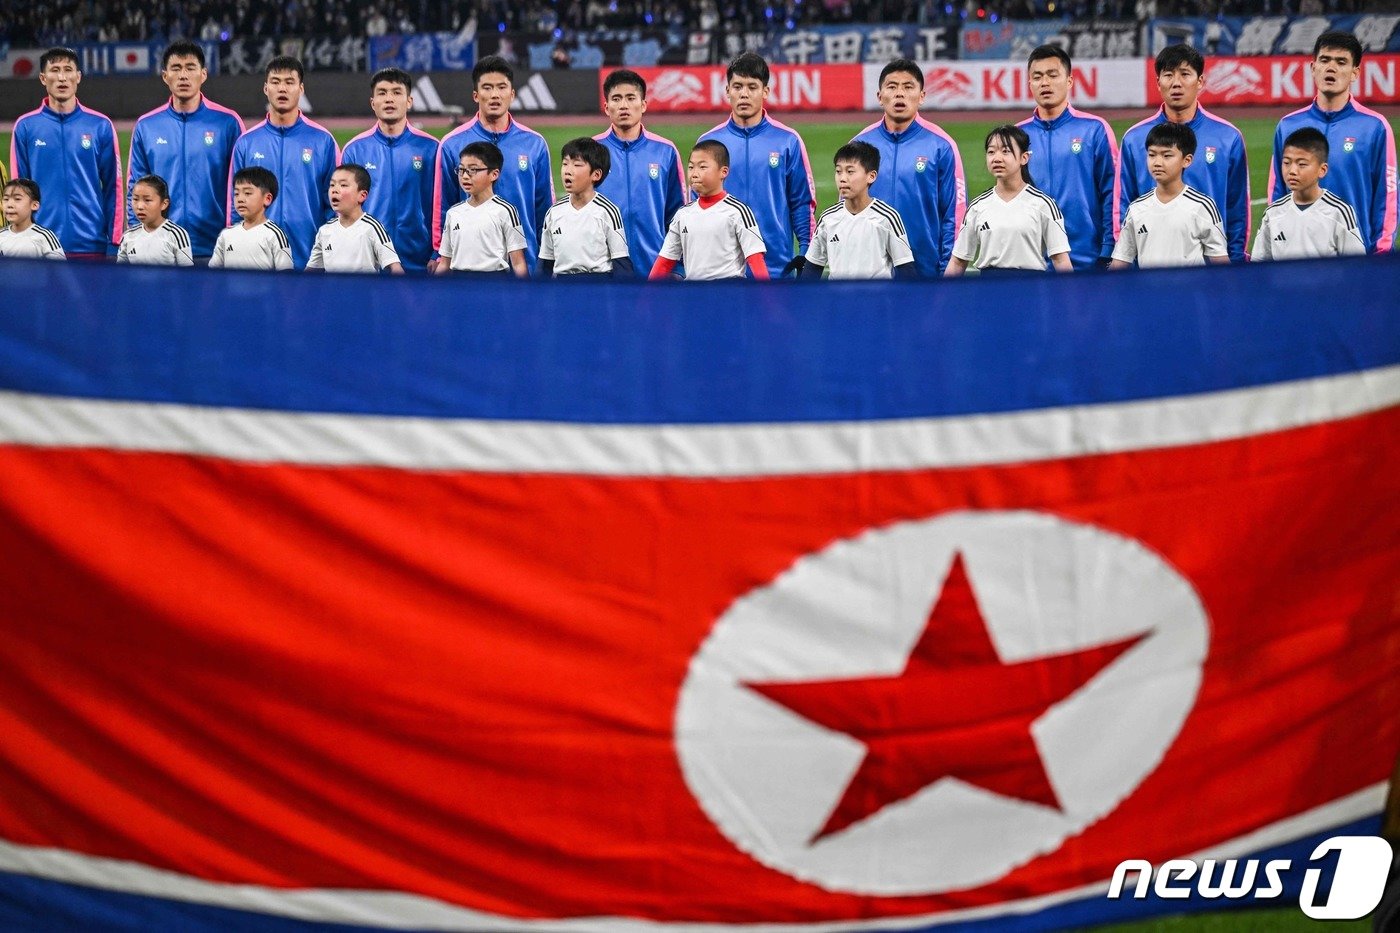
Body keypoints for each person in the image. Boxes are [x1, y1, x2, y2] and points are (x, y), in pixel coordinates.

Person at [1269, 32, 1396, 253]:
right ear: (1313, 67)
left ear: (1355, 73)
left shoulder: (1375, 127)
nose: (1331, 68)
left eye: (1341, 62)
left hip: (1355, 257)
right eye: (1325, 60)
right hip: (1298, 252)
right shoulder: (1288, 125)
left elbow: (1387, 198)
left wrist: (1381, 255)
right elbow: (1277, 191)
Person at [1119, 45, 1248, 262]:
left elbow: (1238, 210)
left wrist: (1233, 266)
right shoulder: (1133, 139)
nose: (1176, 83)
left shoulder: (1228, 137)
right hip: (1151, 267)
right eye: (1168, 75)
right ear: (1158, 82)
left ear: (1200, 81)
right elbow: (1124, 205)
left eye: (1185, 74)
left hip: (1211, 268)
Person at [698, 52, 815, 278]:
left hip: (776, 266)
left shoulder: (788, 140)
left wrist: (807, 251)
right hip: (719, 268)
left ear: (765, 92)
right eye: (738, 86)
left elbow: (801, 202)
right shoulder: (708, 143)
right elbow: (694, 207)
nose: (744, 94)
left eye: (752, 87)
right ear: (727, 91)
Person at [127, 40, 243, 263]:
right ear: (165, 76)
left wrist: (238, 237)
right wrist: (138, 236)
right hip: (161, 247)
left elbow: (243, 186)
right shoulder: (147, 126)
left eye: (190, 68)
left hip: (216, 247)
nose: (183, 75)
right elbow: (136, 186)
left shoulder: (228, 123)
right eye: (176, 68)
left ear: (203, 74)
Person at [434, 56, 552, 271]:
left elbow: (544, 208)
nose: (495, 95)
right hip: (470, 265)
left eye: (501, 87)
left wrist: (549, 258)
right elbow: (444, 207)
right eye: (487, 88)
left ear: (512, 94)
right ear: (476, 95)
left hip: (526, 263)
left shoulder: (535, 144)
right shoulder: (452, 144)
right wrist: (438, 255)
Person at [852, 58, 966, 278]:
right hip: (869, 272)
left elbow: (954, 214)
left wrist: (947, 272)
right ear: (879, 96)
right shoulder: (859, 145)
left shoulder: (942, 145)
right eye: (892, 87)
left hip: (925, 272)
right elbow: (846, 210)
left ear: (921, 96)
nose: (899, 94)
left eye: (908, 87)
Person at [9, 47, 122, 258]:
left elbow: (113, 188)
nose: (62, 77)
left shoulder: (100, 125)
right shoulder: (26, 127)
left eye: (68, 70)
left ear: (78, 77)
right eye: (55, 70)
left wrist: (114, 240)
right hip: (41, 246)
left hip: (92, 244)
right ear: (43, 78)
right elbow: (19, 190)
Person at [229, 56, 339, 269]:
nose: (282, 88)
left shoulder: (323, 141)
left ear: (301, 88)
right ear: (265, 88)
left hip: (308, 260)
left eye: (289, 82)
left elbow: (335, 205)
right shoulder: (246, 143)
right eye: (275, 81)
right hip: (256, 261)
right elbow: (236, 206)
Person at [1016, 45, 1119, 269]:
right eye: (1037, 77)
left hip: (1086, 258)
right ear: (1029, 84)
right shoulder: (1017, 136)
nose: (1045, 83)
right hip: (1031, 262)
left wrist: (1108, 249)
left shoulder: (1094, 129)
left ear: (1069, 81)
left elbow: (1112, 193)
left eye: (1053, 75)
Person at [341, 67, 439, 272]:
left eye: (396, 92)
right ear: (373, 103)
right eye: (382, 93)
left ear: (409, 101)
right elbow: (344, 209)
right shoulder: (354, 150)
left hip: (420, 262)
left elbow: (444, 204)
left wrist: (437, 252)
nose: (389, 99)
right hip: (369, 262)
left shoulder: (432, 148)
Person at [593, 69, 687, 276]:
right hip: (603, 271)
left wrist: (678, 269)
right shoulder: (591, 150)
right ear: (607, 107)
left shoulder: (666, 151)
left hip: (655, 270)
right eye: (616, 99)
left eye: (630, 98)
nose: (624, 105)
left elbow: (678, 215)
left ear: (643, 105)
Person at [946, 125, 1072, 276]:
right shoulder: (977, 206)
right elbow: (957, 261)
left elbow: (1061, 260)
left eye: (1006, 151)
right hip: (989, 292)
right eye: (991, 152)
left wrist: (1070, 297)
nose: (997, 158)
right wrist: (943, 298)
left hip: (1031, 291)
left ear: (1024, 158)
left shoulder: (1044, 205)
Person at [1111, 123, 1228, 270]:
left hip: (1190, 292)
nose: (1157, 163)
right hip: (1148, 292)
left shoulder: (1202, 206)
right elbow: (1119, 262)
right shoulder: (1136, 209)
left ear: (1187, 160)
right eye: (1152, 155)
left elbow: (1222, 264)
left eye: (1167, 156)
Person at [649, 140, 768, 281]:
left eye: (702, 167)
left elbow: (755, 259)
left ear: (723, 172)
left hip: (729, 295)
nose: (694, 173)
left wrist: (768, 298)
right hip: (694, 296)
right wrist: (646, 298)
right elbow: (665, 262)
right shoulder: (683, 215)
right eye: (691, 167)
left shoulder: (738, 211)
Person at [801, 141, 915, 280]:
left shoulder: (887, 217)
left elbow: (906, 271)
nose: (842, 179)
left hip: (876, 301)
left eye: (850, 172)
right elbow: (812, 268)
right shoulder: (828, 218)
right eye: (838, 171)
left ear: (871, 176)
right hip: (837, 301)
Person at [1254, 128, 1365, 261]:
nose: (1292, 171)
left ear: (1322, 170)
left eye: (1302, 164)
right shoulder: (1272, 214)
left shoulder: (1339, 212)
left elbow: (1357, 267)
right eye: (1286, 163)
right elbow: (1258, 265)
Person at [538, 137, 632, 278]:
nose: (567, 171)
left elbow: (621, 264)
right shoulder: (553, 213)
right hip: (562, 289)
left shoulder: (607, 212)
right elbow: (545, 264)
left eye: (577, 165)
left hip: (598, 287)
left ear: (596, 174)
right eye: (565, 164)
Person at [436, 142, 529, 278]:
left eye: (473, 170)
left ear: (494, 174)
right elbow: (444, 263)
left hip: (495, 284)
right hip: (459, 285)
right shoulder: (453, 213)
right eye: (461, 170)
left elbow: (518, 263)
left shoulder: (505, 211)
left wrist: (525, 294)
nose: (465, 176)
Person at [306, 164, 403, 274]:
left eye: (343, 185)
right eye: (332, 185)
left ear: (362, 196)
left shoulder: (372, 227)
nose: (334, 190)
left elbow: (395, 267)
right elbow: (310, 272)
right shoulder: (325, 231)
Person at [209, 166, 293, 271]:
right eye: (236, 194)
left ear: (267, 199)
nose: (240, 199)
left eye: (247, 193)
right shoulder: (226, 235)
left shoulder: (274, 235)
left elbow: (286, 279)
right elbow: (213, 275)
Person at [117, 174, 193, 266]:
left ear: (164, 204)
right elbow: (121, 274)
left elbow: (187, 276)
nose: (140, 206)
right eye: (135, 199)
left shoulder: (176, 234)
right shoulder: (128, 236)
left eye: (147, 200)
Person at [0, 178, 65, 259]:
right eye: (6, 199)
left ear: (34, 205)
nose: (9, 204)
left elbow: (59, 269)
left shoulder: (44, 236)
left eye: (17, 199)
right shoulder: (1, 236)